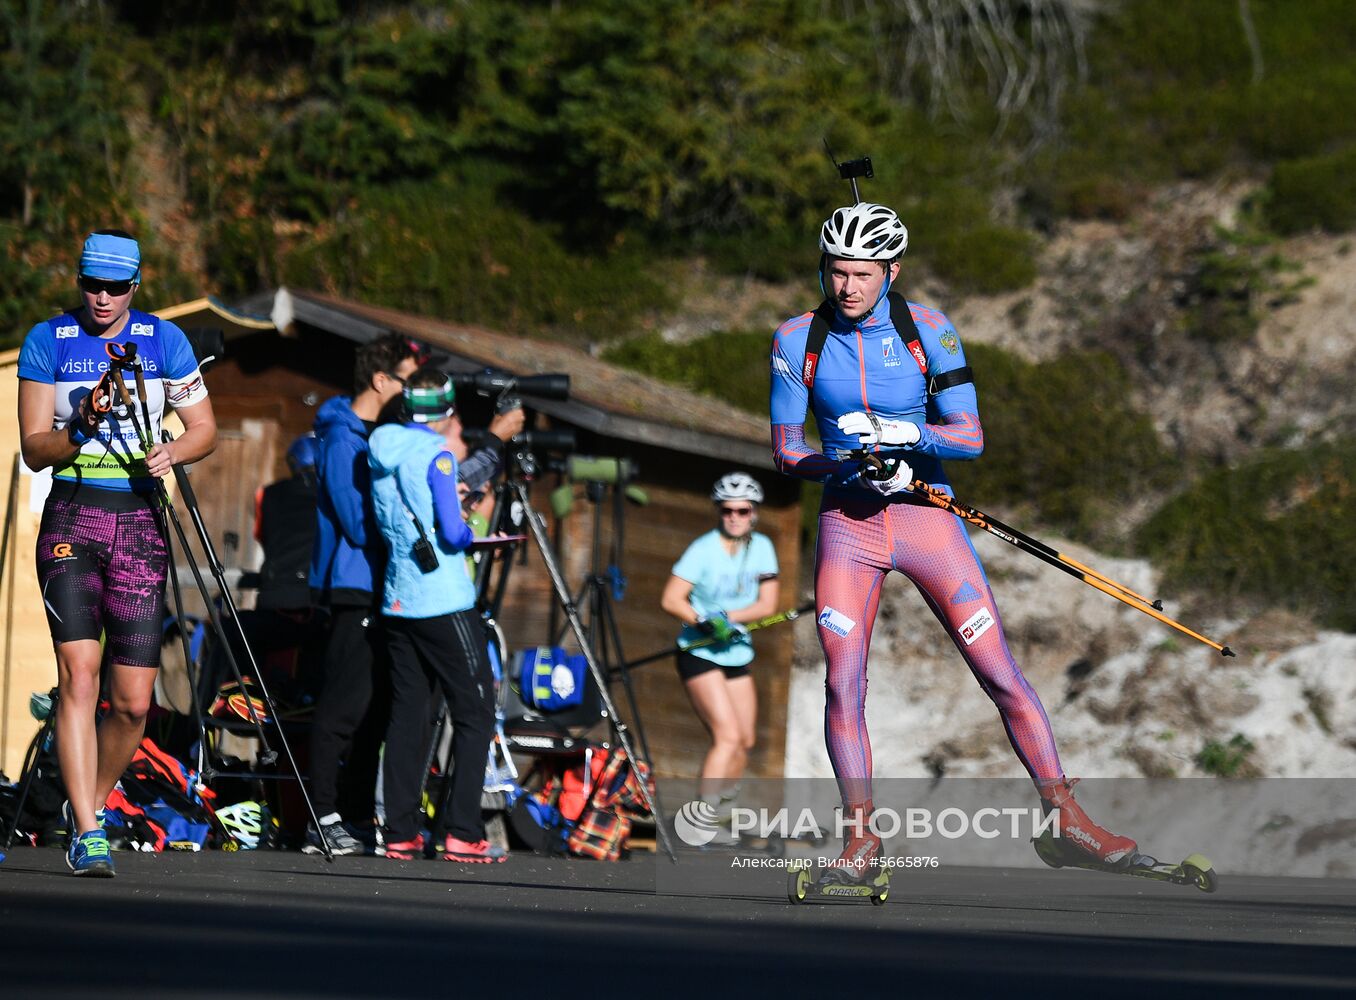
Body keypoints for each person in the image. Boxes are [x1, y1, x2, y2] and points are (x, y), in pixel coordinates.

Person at [769, 201, 1137, 881]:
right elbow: (788, 451)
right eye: (835, 272)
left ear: (892, 270)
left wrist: (915, 439)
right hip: (848, 526)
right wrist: (842, 464)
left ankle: (1068, 819)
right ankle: (860, 843)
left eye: (861, 274)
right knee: (842, 688)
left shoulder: (928, 331)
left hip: (926, 518)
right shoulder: (797, 339)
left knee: (1000, 673)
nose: (845, 287)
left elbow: (971, 436)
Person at [16, 230, 217, 876]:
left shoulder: (165, 341)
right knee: (80, 675)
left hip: (139, 523)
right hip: (73, 515)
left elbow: (205, 428)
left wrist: (174, 451)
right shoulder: (50, 340)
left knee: (132, 701)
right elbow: (33, 448)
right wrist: (78, 427)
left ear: (137, 285)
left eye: (114, 287)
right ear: (79, 281)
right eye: (90, 285)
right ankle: (90, 830)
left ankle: (85, 813)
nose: (101, 298)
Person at [368, 368, 505, 863]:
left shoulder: (381, 443)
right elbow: (451, 531)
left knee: (409, 714)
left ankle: (400, 831)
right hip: (443, 598)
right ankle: (462, 830)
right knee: (476, 711)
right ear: (446, 412)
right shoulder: (437, 456)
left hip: (398, 597)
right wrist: (470, 531)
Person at [660, 472, 779, 837]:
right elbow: (670, 599)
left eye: (742, 511)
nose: (734, 517)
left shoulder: (761, 547)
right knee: (726, 736)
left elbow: (768, 603)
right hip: (700, 652)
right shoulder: (703, 548)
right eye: (727, 510)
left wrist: (730, 618)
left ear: (753, 512)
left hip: (736, 652)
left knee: (745, 740)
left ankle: (725, 812)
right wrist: (704, 621)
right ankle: (700, 821)